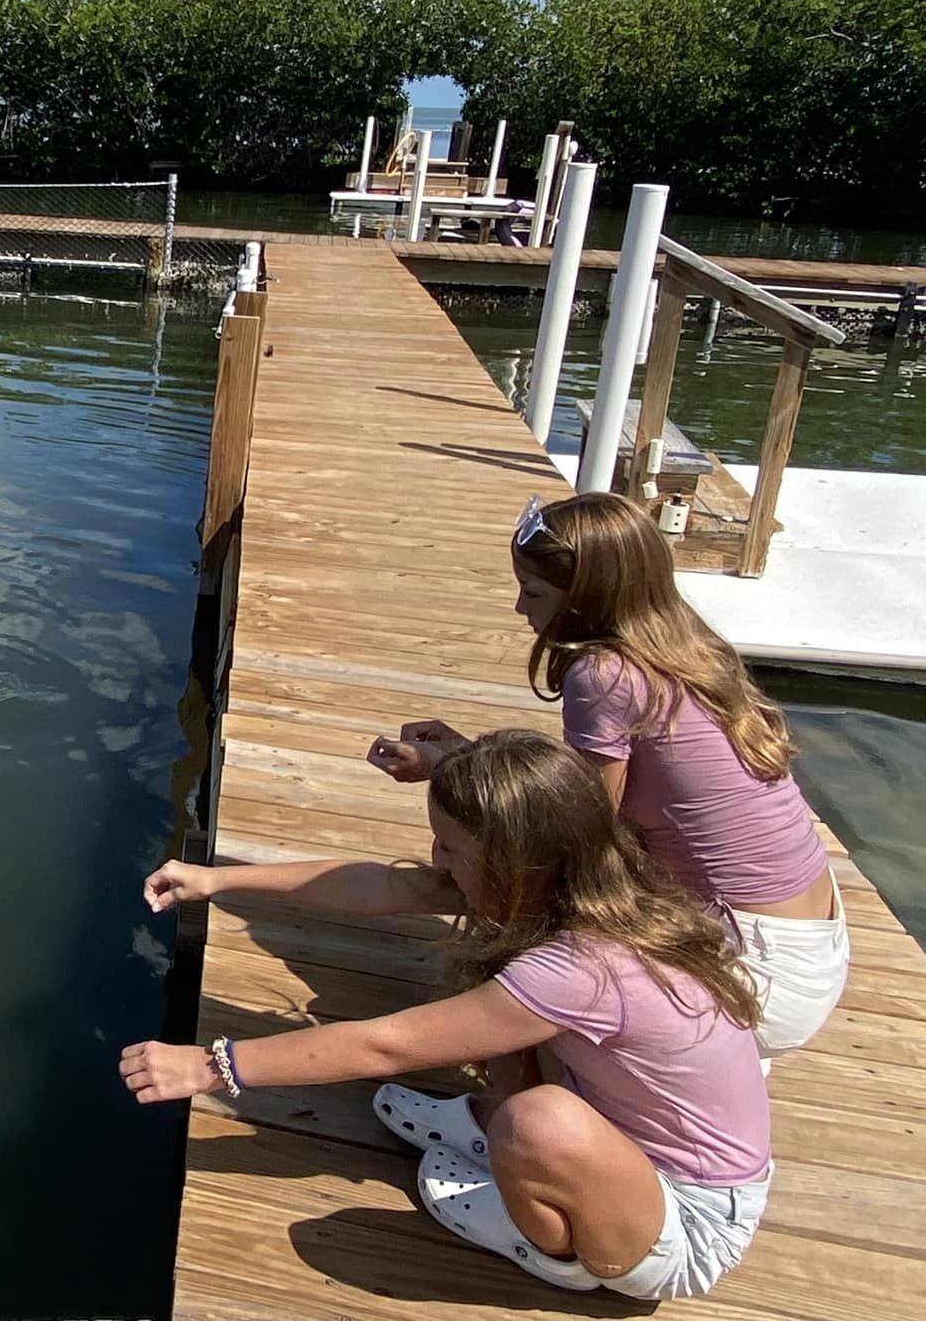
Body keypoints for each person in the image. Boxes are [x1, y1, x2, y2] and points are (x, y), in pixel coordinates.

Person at [122, 731, 771, 1301]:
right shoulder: (588, 882)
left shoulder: (584, 967)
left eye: (452, 849)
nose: (436, 860)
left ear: (515, 858)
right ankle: (506, 1140)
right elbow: (382, 886)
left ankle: (557, 1253)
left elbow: (388, 1047)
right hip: (624, 1127)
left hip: (688, 1221)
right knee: (497, 1000)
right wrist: (219, 880)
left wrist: (210, 1064)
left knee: (538, 1117)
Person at [367, 491, 847, 1057]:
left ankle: (513, 1108)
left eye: (535, 593)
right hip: (811, 949)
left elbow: (578, 831)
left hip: (749, 972)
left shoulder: (603, 674)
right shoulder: (688, 644)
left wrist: (453, 775)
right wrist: (463, 757)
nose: (522, 609)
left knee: (531, 884)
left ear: (587, 601)